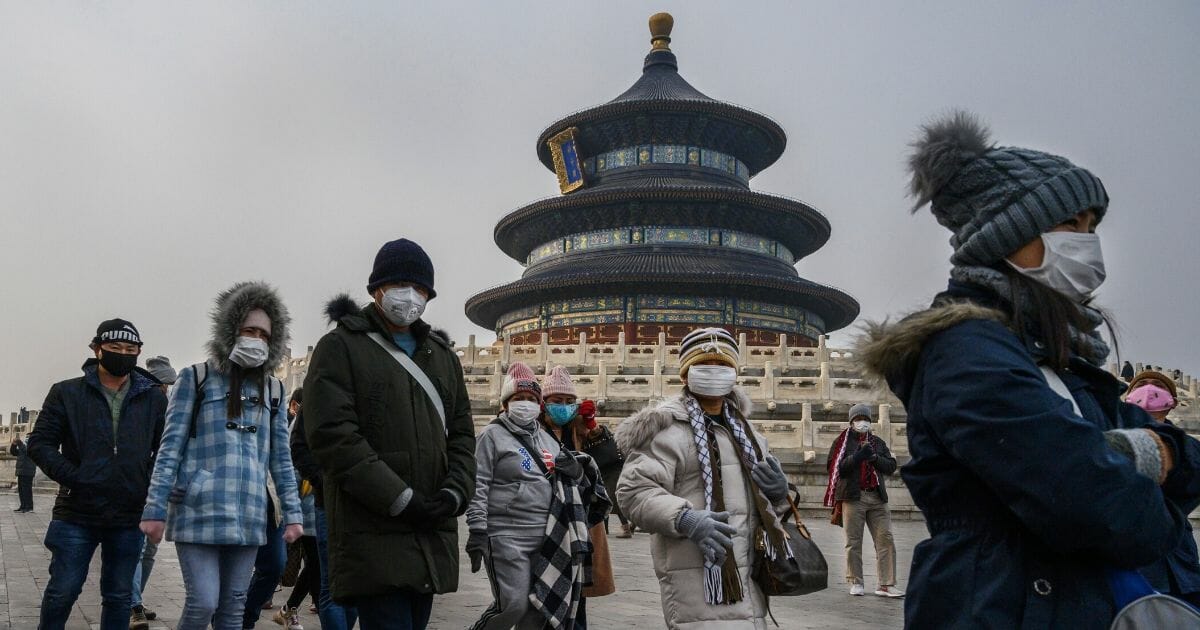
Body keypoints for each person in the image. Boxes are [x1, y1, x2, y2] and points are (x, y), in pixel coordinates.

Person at [859, 111, 1200, 627]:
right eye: (1067, 225)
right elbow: (1099, 508)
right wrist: (1140, 467)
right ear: (1003, 233)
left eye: (1090, 227)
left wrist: (1141, 452)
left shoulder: (1065, 360)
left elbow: (1190, 462)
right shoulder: (965, 352)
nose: (1085, 242)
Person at [304, 238, 476, 630]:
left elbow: (463, 434)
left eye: (420, 289)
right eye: (401, 284)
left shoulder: (442, 357)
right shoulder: (341, 347)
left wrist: (454, 493)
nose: (410, 296)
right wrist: (399, 498)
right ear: (376, 289)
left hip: (431, 525)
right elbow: (333, 436)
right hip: (372, 530)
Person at [140, 282, 304, 630]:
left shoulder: (273, 390)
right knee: (203, 601)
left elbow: (281, 459)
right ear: (230, 331)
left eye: (263, 333)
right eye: (249, 330)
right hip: (199, 508)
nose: (256, 339)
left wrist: (292, 513)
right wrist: (154, 509)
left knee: (233, 607)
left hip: (247, 513)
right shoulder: (195, 379)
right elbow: (169, 448)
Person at [615, 327, 792, 629]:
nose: (715, 371)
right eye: (704, 364)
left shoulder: (750, 437)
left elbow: (763, 510)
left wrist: (779, 496)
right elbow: (633, 492)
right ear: (684, 374)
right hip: (693, 571)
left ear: (735, 372)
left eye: (723, 365)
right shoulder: (666, 431)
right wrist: (686, 519)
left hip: (749, 573)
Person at [27, 319, 167, 630]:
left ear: (139, 352)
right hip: (77, 511)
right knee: (62, 590)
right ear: (97, 349)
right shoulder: (67, 393)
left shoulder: (154, 398)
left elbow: (165, 450)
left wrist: (146, 483)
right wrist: (75, 477)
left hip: (129, 514)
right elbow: (40, 443)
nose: (123, 354)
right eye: (115, 348)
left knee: (119, 597)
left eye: (130, 350)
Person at [467, 363, 608, 629]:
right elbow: (479, 483)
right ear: (506, 403)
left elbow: (573, 478)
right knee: (512, 604)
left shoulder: (546, 439)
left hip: (546, 535)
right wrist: (477, 528)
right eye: (519, 399)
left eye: (531, 399)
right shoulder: (491, 435)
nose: (525, 404)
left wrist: (577, 471)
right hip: (506, 535)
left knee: (537, 610)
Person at [1124, 371, 1200, 606]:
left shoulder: (1189, 449)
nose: (1148, 390)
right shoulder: (1112, 439)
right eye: (1141, 385)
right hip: (1130, 560)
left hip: (1178, 563)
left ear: (1172, 402)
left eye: (1157, 385)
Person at [289, 389, 358, 630]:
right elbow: (298, 448)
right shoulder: (318, 395)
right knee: (330, 583)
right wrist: (323, 482)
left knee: (357, 585)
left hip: (366, 504)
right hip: (326, 502)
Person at [824, 404, 902, 598]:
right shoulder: (842, 443)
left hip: (877, 497)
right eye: (858, 419)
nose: (863, 422)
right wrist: (857, 457)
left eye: (866, 419)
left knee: (886, 539)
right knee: (853, 541)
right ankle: (856, 581)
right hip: (853, 496)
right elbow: (836, 468)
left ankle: (886, 584)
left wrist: (874, 458)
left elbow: (891, 466)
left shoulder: (877, 442)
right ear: (851, 422)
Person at [128, 355, 178, 628]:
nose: (166, 390)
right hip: (138, 487)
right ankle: (133, 604)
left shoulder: (171, 407)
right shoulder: (138, 405)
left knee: (149, 551)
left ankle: (136, 598)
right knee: (137, 549)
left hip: (160, 490)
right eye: (163, 385)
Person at [275, 388, 319, 630]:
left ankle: (289, 609)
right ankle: (290, 609)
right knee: (317, 563)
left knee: (318, 564)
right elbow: (292, 459)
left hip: (327, 505)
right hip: (309, 504)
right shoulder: (305, 417)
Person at [10, 435, 34, 513]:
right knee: (21, 490)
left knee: (27, 490)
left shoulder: (32, 446)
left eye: (28, 437)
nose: (26, 438)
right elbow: (14, 452)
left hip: (28, 471)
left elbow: (26, 451)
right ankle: (23, 506)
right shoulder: (22, 446)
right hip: (21, 471)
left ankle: (29, 507)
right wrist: (13, 444)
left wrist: (20, 443)